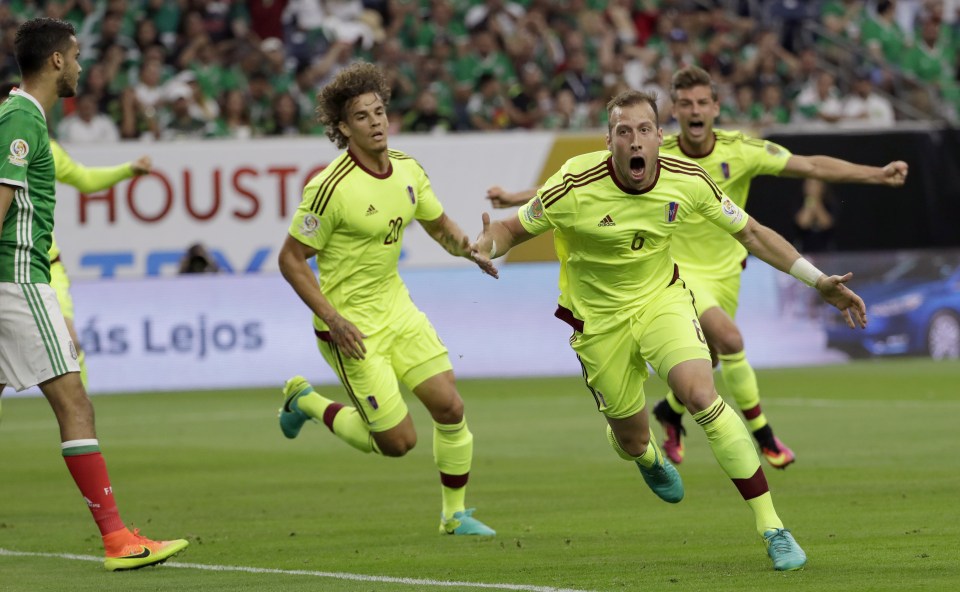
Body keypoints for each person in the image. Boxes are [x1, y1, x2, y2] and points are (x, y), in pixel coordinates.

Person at [470, 89, 868, 571]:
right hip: (598, 323)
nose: (634, 141)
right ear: (609, 140)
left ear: (661, 137)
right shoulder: (574, 182)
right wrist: (485, 246)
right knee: (632, 438)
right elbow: (511, 229)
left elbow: (753, 233)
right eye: (623, 132)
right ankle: (647, 457)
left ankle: (773, 528)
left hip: (663, 301)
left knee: (702, 394)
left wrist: (817, 279)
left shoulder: (687, 179)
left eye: (643, 130)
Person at [486, 65, 907, 470]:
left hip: (726, 274)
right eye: (684, 103)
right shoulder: (653, 150)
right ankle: (764, 436)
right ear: (674, 113)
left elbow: (811, 165)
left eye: (702, 102)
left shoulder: (741, 151)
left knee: (709, 364)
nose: (694, 111)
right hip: (675, 273)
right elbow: (582, 182)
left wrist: (876, 174)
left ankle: (669, 414)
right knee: (729, 337)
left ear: (715, 108)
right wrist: (519, 201)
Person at [276, 62, 496, 536]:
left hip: (397, 308)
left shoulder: (409, 169)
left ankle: (454, 515)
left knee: (451, 408)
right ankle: (306, 401)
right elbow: (291, 260)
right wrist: (333, 319)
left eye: (379, 111)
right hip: (351, 327)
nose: (376, 122)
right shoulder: (328, 189)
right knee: (398, 443)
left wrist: (469, 249)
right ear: (342, 127)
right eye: (362, 116)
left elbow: (439, 226)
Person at [0, 17, 187, 571]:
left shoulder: (21, 117)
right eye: (76, 55)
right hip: (17, 279)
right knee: (74, 402)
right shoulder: (21, 117)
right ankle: (116, 539)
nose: (80, 65)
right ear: (56, 61)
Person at [0, 81, 153, 392]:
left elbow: (83, 179)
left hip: (45, 267)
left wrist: (128, 169)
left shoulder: (42, 143)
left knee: (70, 344)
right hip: (7, 267)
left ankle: (82, 425)